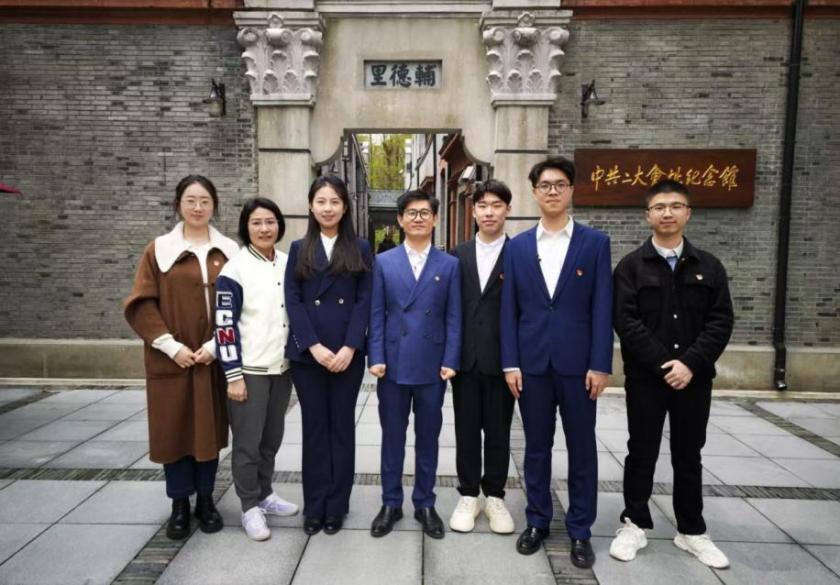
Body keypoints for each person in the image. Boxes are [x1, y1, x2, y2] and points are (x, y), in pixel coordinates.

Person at [609, 179, 734, 569]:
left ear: (688, 213)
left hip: (694, 379)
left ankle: (691, 530)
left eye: (676, 206)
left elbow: (720, 321)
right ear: (648, 215)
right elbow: (625, 321)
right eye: (659, 207)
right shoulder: (631, 266)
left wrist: (689, 363)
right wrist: (666, 365)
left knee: (689, 453)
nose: (667, 213)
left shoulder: (709, 266)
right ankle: (634, 523)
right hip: (647, 379)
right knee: (641, 450)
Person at [500, 156, 613, 566]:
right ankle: (538, 520)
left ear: (571, 190)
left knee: (582, 449)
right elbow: (509, 310)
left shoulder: (594, 243)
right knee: (536, 448)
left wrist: (600, 364)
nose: (552, 191)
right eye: (545, 185)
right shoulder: (517, 247)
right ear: (534, 192)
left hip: (579, 367)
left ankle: (580, 530)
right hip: (531, 366)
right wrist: (510, 363)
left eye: (560, 184)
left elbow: (603, 307)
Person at [124, 174, 239, 540]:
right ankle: (178, 503)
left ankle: (205, 500)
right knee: (173, 431)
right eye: (191, 200)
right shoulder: (158, 250)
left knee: (208, 432)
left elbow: (242, 305)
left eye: (205, 201)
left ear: (214, 205)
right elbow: (142, 303)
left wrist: (216, 346)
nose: (198, 207)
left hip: (211, 359)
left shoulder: (229, 251)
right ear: (178, 204)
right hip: (171, 360)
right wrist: (170, 346)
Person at [367, 190, 461, 540]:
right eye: (411, 212)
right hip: (392, 364)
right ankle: (391, 502)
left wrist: (451, 358)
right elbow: (376, 313)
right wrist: (375, 355)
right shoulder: (384, 262)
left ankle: (425, 502)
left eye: (424, 213)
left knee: (428, 438)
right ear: (400, 220)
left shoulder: (449, 264)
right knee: (392, 437)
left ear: (435, 219)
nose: (418, 218)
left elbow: (454, 317)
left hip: (432, 365)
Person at [285, 175, 373, 536]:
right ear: (311, 206)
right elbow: (293, 300)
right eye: (321, 201)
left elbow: (365, 300)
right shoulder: (298, 248)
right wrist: (314, 346)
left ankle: (337, 505)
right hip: (309, 357)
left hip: (346, 355)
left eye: (335, 201)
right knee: (314, 429)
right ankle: (314, 504)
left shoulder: (360, 248)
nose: (328, 208)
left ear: (345, 207)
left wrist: (350, 346)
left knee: (341, 429)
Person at [214, 197, 299, 541]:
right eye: (257, 222)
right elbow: (224, 326)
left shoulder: (288, 263)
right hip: (249, 372)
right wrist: (233, 375)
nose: (265, 228)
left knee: (271, 439)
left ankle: (265, 494)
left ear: (279, 225)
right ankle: (249, 506)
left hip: (281, 369)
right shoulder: (234, 270)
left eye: (270, 222)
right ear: (246, 227)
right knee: (248, 443)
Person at [448, 180, 515, 534]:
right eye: (483, 206)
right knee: (466, 429)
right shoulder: (456, 255)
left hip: (504, 360)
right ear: (473, 211)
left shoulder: (519, 254)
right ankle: (468, 494)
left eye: (497, 205)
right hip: (465, 360)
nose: (489, 212)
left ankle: (495, 496)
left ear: (507, 210)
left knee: (500, 431)